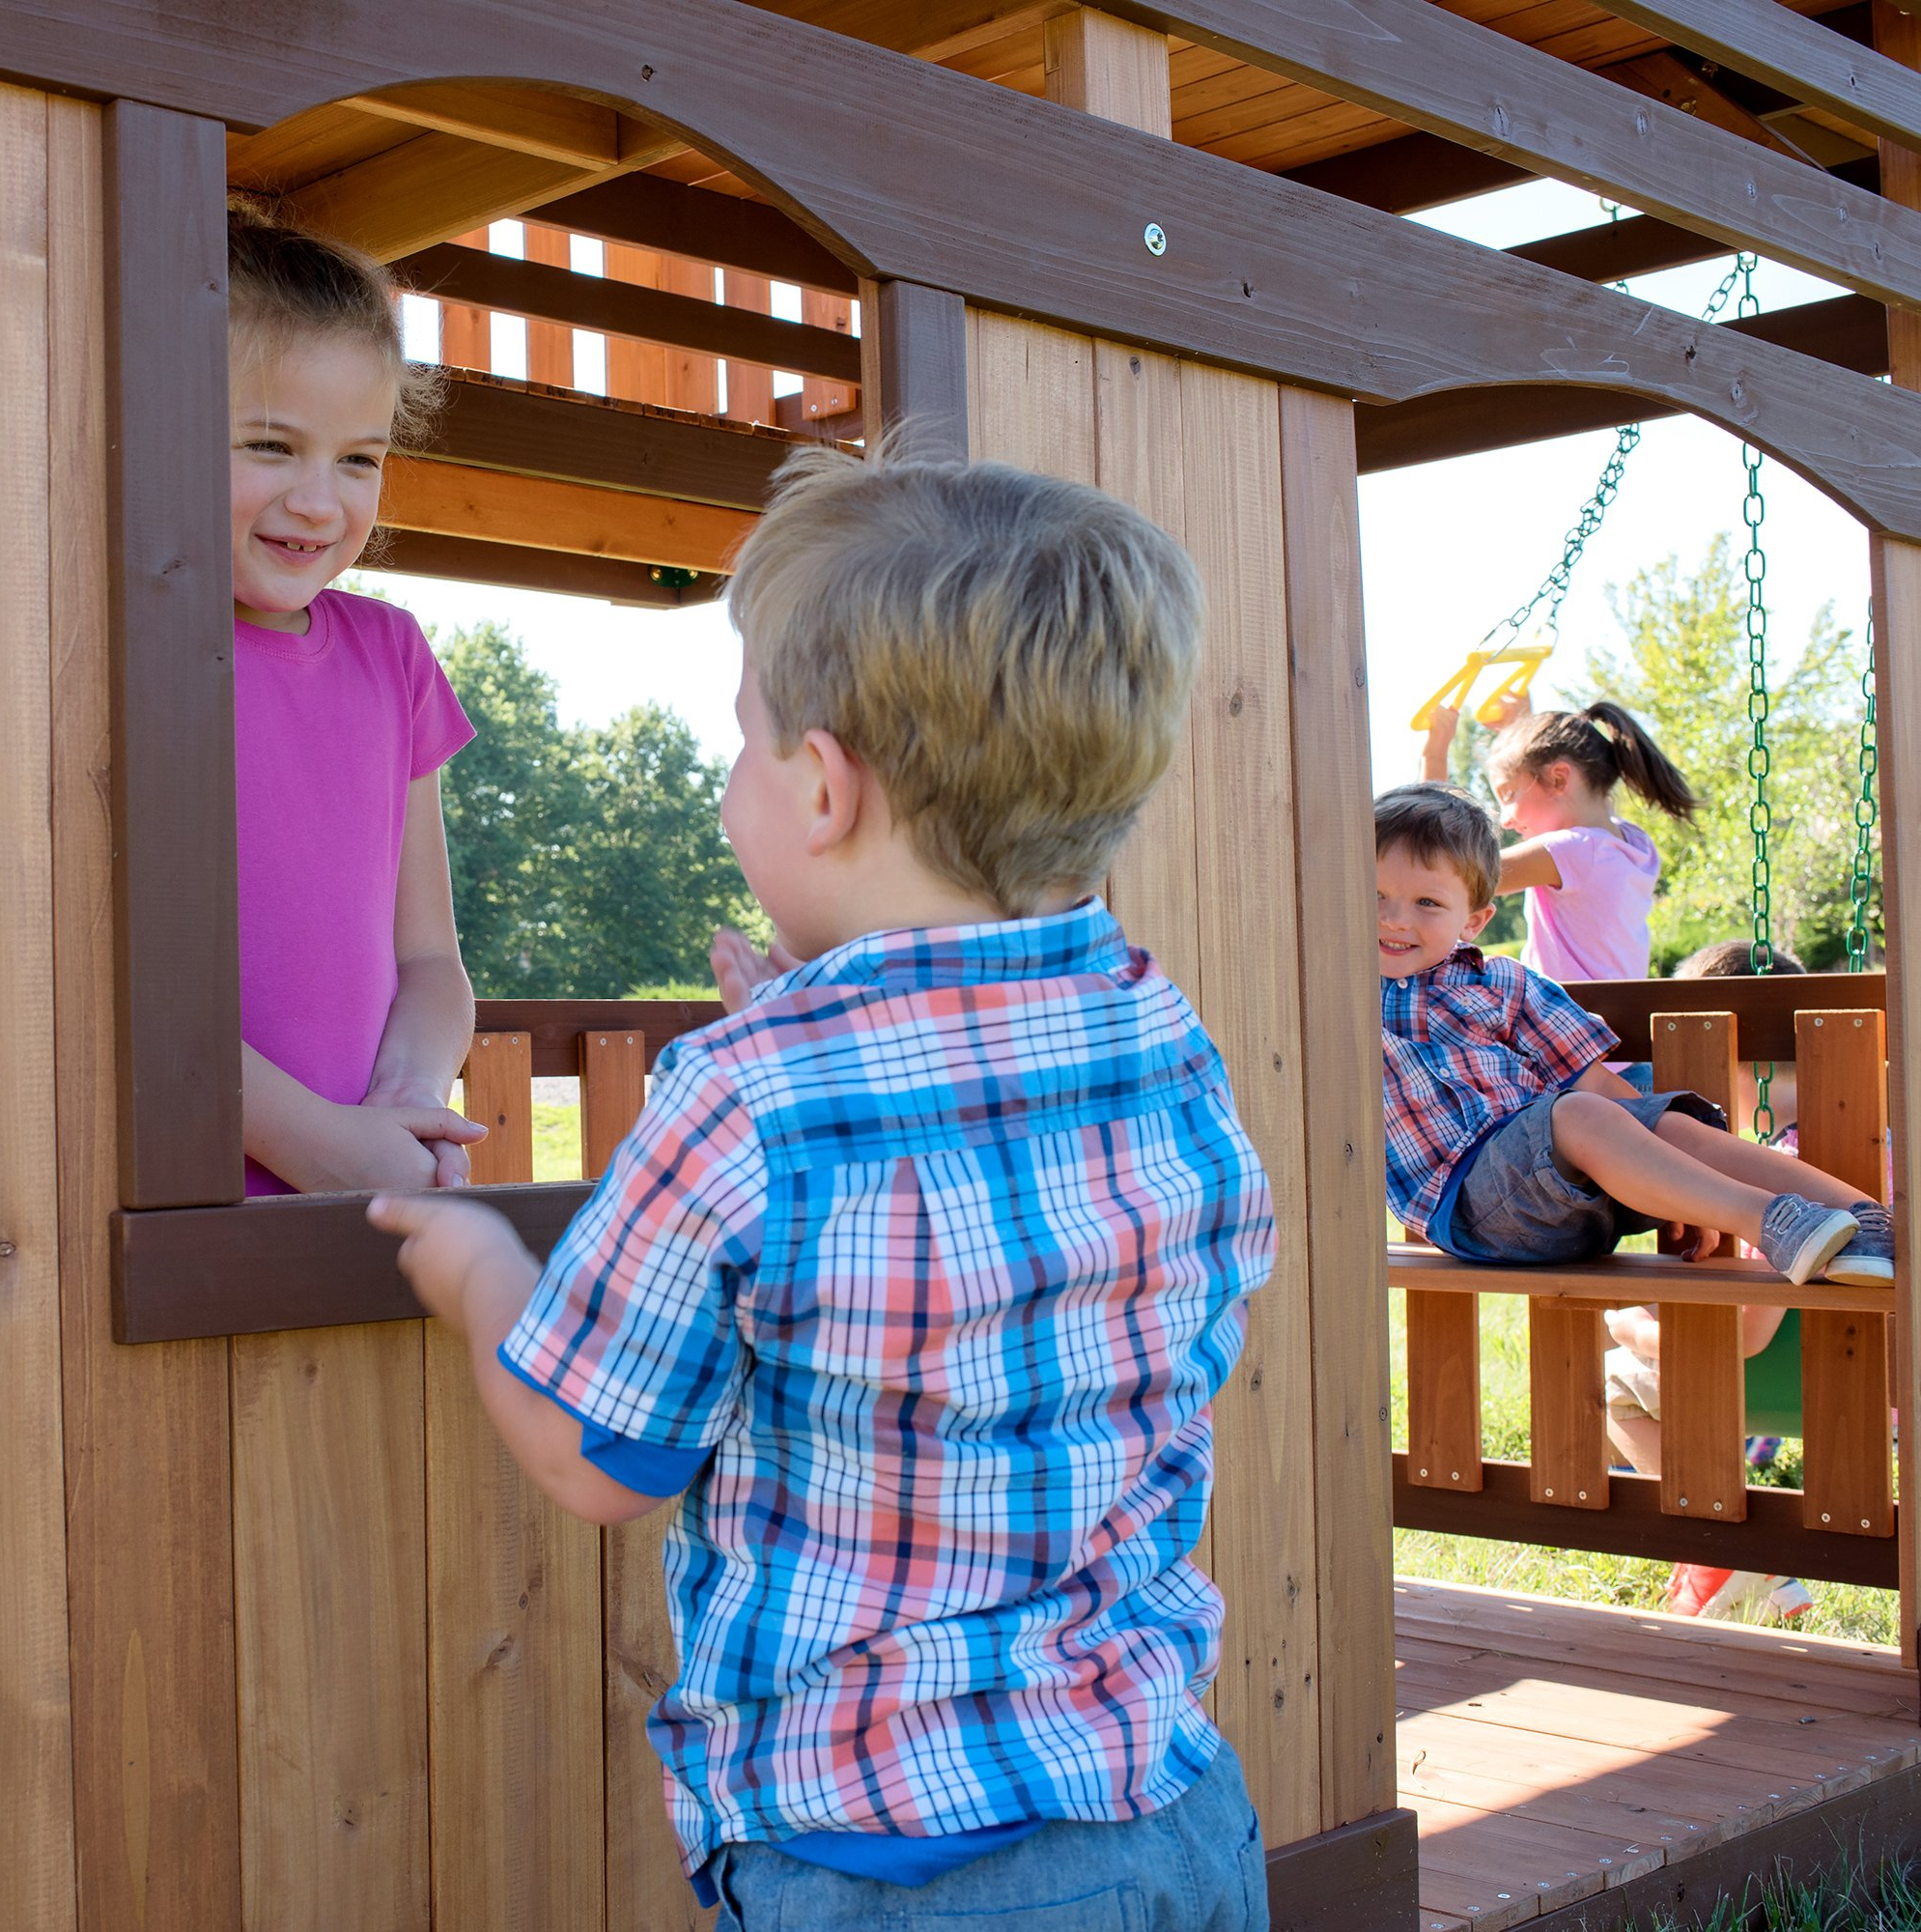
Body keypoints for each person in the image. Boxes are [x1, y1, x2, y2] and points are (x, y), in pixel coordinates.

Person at [369, 446, 1277, 1932]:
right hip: (1171, 1806)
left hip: (891, 1859)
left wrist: (478, 1272)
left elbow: (604, 1458)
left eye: (740, 745)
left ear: (823, 785)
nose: (732, 779)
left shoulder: (746, 1094)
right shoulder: (1154, 1031)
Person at [1375, 783, 1890, 1297]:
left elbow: (1597, 1083)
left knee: (1665, 1123)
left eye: (1427, 902)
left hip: (1578, 1192)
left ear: (1474, 920)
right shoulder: (1335, 993)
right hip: (1467, 1203)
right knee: (1578, 1113)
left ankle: (1872, 1222)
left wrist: (1688, 1187)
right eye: (1375, 895)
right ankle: (1767, 1221)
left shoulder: (1504, 983)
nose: (1395, 918)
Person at [227, 207, 485, 1195]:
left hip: (359, 1205)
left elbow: (428, 957)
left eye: (358, 458)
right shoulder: (122, 654)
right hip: (162, 1219)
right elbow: (105, 986)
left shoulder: (392, 655)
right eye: (269, 445)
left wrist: (405, 1099)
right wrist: (321, 1145)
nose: (320, 501)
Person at [1603, 943, 1817, 1620]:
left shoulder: (1769, 1175)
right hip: (1891, 1390)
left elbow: (1747, 1339)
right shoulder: (1876, 1141)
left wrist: (1630, 1325)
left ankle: (1727, 1558)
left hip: (1799, 1384)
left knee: (1609, 1386)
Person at [1422, 699, 1697, 1091]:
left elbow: (1451, 870)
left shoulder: (1568, 851)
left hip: (1575, 1062)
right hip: (1624, 1059)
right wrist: (1521, 723)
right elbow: (1552, 786)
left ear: (1559, 779)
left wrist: (1436, 752)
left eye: (1508, 793)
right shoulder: (1633, 844)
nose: (1508, 817)